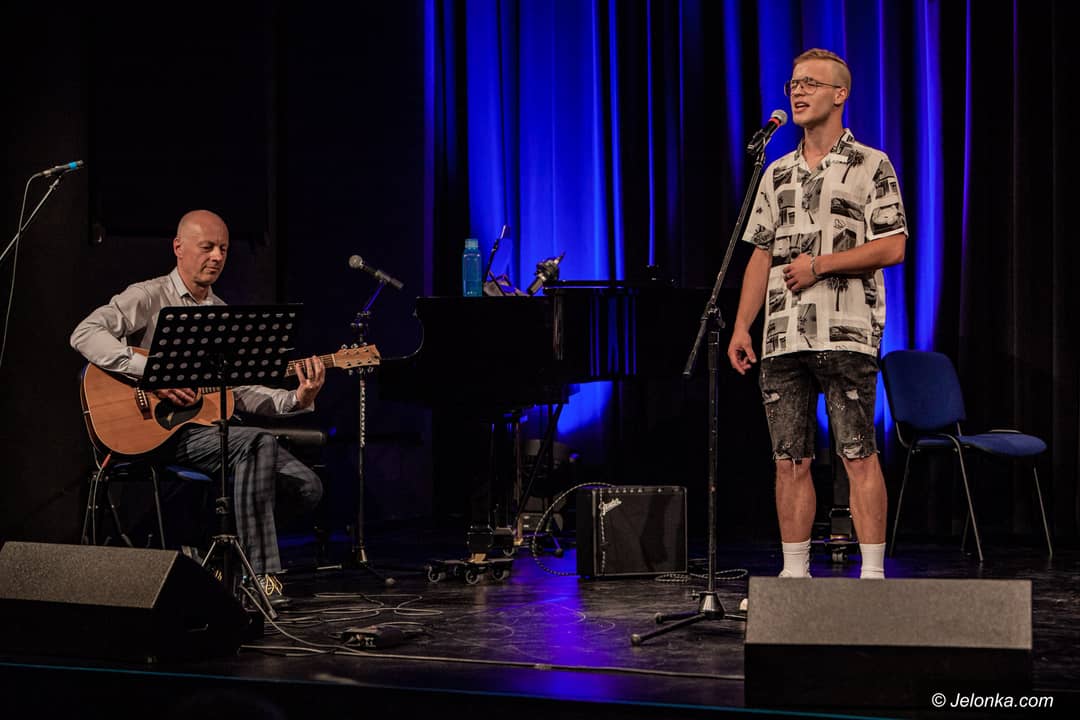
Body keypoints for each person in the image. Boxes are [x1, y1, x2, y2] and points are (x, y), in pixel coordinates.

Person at [71, 209, 325, 599]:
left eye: (223, 249)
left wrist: (297, 398)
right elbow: (85, 333)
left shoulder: (220, 313)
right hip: (158, 430)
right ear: (179, 247)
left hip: (207, 431)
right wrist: (154, 372)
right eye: (207, 247)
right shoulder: (149, 295)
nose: (217, 257)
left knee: (307, 486)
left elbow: (240, 389)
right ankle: (261, 577)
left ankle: (216, 558)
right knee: (257, 442)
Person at [727, 49, 907, 579]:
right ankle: (794, 575)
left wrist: (819, 266)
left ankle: (871, 577)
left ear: (840, 94)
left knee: (857, 453)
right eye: (793, 84)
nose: (798, 91)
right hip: (783, 336)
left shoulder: (871, 164)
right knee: (789, 459)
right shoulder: (776, 172)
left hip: (846, 332)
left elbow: (893, 245)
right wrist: (742, 326)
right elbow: (761, 253)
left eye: (810, 83)